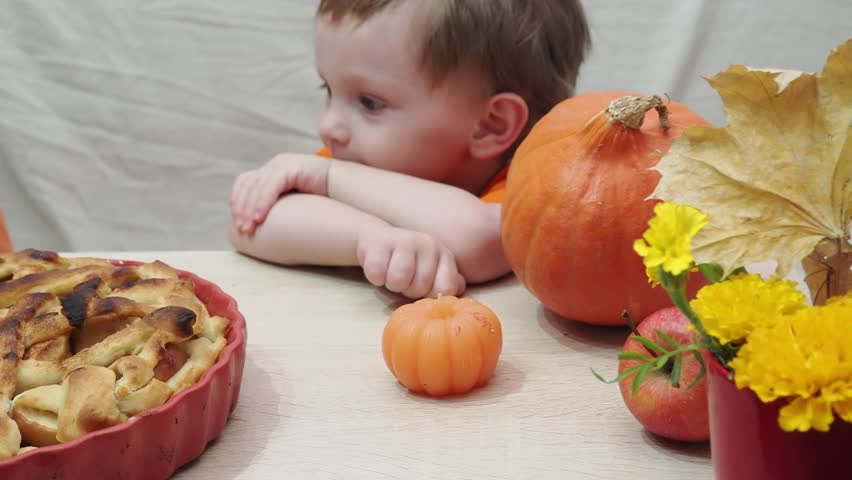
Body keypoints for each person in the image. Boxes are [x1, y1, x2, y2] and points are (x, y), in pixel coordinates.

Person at [229, 0, 591, 299]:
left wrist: (330, 177)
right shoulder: (355, 164)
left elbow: (479, 240)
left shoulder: (534, 186)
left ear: (490, 125)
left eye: (370, 102)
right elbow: (250, 223)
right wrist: (366, 237)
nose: (328, 127)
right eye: (327, 89)